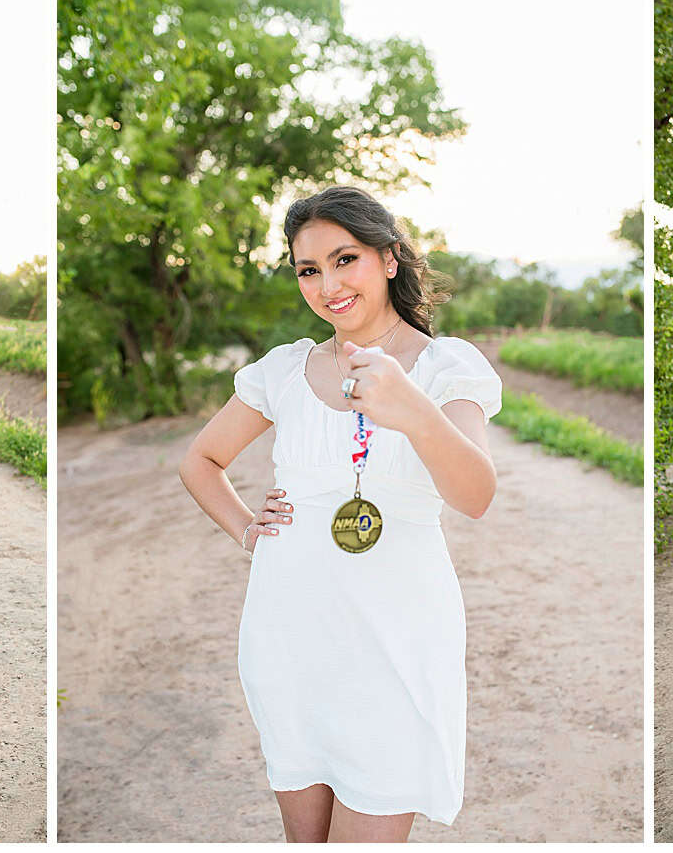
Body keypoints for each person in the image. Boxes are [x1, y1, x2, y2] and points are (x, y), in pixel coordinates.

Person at [178, 186, 502, 841]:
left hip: (394, 644)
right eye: (308, 269)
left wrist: (412, 408)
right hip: (288, 639)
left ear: (389, 258)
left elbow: (476, 496)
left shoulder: (445, 367)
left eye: (344, 259)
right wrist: (247, 527)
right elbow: (199, 462)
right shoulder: (285, 370)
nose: (328, 285)